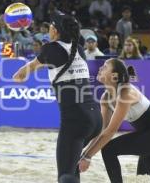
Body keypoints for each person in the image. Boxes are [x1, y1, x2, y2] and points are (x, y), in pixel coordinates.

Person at [13, 11, 102, 183]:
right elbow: (51, 63)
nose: (48, 30)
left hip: (76, 120)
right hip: (95, 118)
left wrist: (19, 74)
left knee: (65, 175)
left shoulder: (51, 48)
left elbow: (25, 71)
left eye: (50, 27)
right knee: (72, 166)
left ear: (56, 31)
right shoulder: (79, 49)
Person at [79, 58, 150, 182]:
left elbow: (110, 131)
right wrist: (84, 152)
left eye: (104, 67)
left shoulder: (126, 93)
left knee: (109, 148)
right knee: (143, 180)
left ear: (114, 76)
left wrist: (87, 156)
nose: (100, 69)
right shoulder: (106, 98)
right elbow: (101, 131)